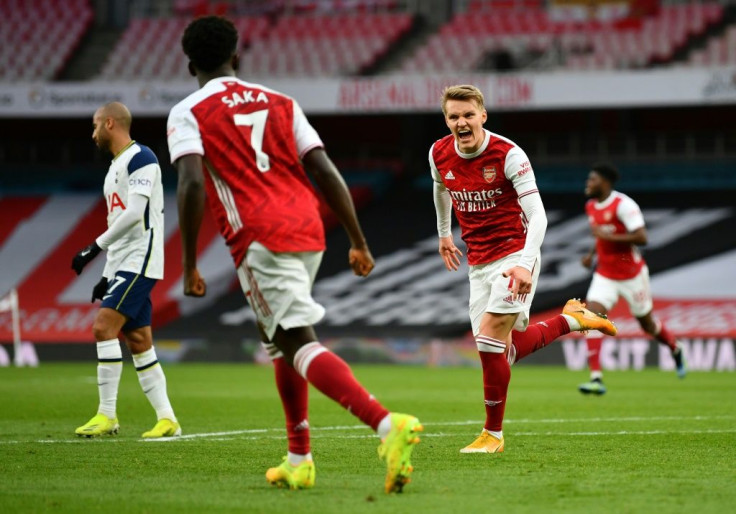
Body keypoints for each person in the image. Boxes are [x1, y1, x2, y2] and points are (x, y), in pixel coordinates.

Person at [167, 16, 421, 493]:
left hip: (260, 237)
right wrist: (358, 240)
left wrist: (188, 263)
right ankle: (298, 458)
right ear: (236, 58)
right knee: (280, 344)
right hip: (308, 227)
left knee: (298, 341)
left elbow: (193, 183)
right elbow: (324, 170)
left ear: (189, 66)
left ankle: (388, 425)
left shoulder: (188, 111)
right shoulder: (282, 102)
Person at [431, 85, 617, 454]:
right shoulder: (438, 152)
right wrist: (443, 234)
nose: (461, 122)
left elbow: (538, 215)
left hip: (514, 255)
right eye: (454, 116)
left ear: (483, 115)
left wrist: (525, 264)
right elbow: (440, 189)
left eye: (468, 114)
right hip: (479, 261)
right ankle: (572, 320)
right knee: (502, 350)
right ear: (447, 120)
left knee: (487, 341)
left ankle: (493, 435)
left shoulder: (508, 154)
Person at [71, 102, 180, 438]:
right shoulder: (114, 168)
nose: (92, 135)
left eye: (93, 127)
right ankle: (167, 420)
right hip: (126, 260)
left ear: (109, 123)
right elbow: (117, 222)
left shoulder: (141, 158)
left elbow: (135, 214)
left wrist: (93, 247)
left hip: (142, 258)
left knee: (104, 328)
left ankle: (107, 414)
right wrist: (106, 275)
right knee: (138, 339)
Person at [578, 163, 686, 395]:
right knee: (591, 318)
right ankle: (596, 378)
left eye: (592, 179)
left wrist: (610, 235)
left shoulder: (624, 205)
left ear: (605, 183)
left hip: (631, 275)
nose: (588, 183)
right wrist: (590, 255)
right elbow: (600, 237)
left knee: (647, 324)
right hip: (605, 274)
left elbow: (642, 237)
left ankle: (675, 348)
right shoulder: (591, 206)